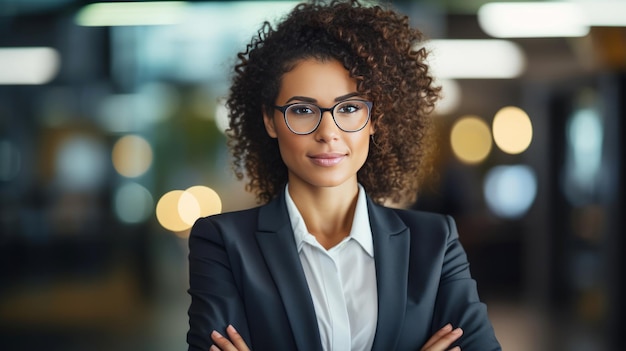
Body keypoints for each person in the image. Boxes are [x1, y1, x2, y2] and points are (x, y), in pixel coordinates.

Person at [187, 0, 502, 350]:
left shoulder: (435, 243)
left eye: (349, 108)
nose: (328, 132)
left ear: (374, 119)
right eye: (303, 110)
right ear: (269, 120)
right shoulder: (223, 244)